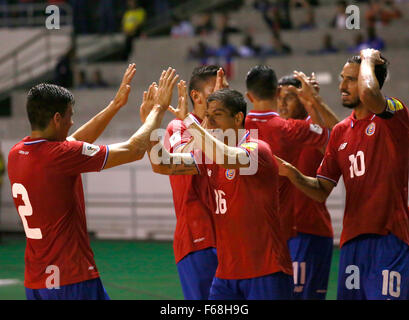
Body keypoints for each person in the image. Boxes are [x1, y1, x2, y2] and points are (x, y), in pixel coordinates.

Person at [7, 65, 180, 300]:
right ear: (57, 118)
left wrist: (115, 105)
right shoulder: (59, 156)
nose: (71, 123)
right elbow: (134, 149)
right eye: (69, 116)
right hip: (70, 277)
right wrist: (158, 109)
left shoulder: (17, 153)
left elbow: (73, 141)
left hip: (37, 279)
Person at [276, 49, 409, 300]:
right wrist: (292, 174)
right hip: (351, 242)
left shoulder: (394, 114)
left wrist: (368, 57)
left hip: (389, 238)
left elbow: (370, 93)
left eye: (351, 79)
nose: (342, 85)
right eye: (342, 78)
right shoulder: (339, 131)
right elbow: (321, 190)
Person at [146, 86, 294, 300]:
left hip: (266, 269)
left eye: (218, 115)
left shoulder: (258, 149)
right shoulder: (210, 157)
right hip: (226, 275)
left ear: (238, 119)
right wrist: (152, 119)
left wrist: (189, 121)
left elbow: (227, 157)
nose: (211, 122)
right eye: (208, 116)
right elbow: (163, 164)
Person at [139, 65, 228, 300]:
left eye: (225, 88)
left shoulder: (230, 131)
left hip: (230, 238)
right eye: (216, 90)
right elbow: (177, 160)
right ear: (196, 96)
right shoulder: (178, 127)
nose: (223, 93)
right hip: (198, 239)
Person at [277, 74, 336, 299]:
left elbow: (336, 145)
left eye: (290, 97)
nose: (282, 103)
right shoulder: (274, 130)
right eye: (279, 97)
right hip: (279, 234)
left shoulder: (315, 131)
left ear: (303, 100)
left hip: (308, 231)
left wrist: (313, 102)